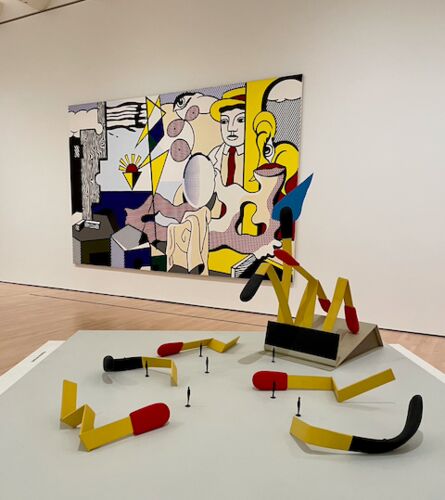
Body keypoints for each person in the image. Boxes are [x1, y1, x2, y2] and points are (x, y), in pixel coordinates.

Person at [209, 87, 246, 187]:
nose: (231, 128)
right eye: (224, 121)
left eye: (240, 120)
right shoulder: (214, 155)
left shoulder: (258, 155)